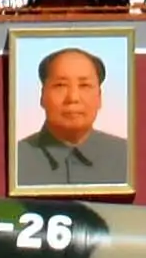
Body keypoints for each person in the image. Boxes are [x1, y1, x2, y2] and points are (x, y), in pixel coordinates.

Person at [16, 48, 129, 189]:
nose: (73, 98)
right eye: (61, 85)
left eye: (84, 85)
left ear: (99, 97)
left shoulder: (127, 156)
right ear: (42, 96)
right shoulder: (15, 159)